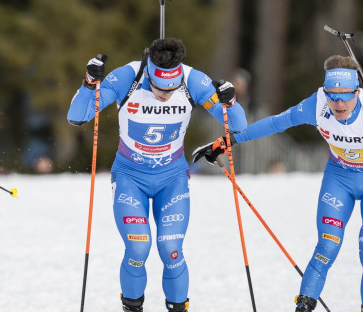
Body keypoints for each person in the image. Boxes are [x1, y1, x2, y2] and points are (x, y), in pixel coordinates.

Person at [193, 55, 363, 312]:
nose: (338, 103)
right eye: (332, 96)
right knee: (327, 246)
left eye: (345, 96)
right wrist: (228, 141)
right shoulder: (316, 105)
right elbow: (276, 123)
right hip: (339, 178)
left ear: (357, 91)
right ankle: (304, 307)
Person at [66, 38, 244, 312]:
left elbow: (238, 126)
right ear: (149, 72)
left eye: (172, 90)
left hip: (171, 178)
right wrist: (89, 83)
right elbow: (78, 116)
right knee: (138, 249)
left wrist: (230, 102)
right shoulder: (129, 76)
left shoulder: (192, 80)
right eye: (159, 89)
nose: (166, 95)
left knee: (171, 250)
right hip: (130, 176)